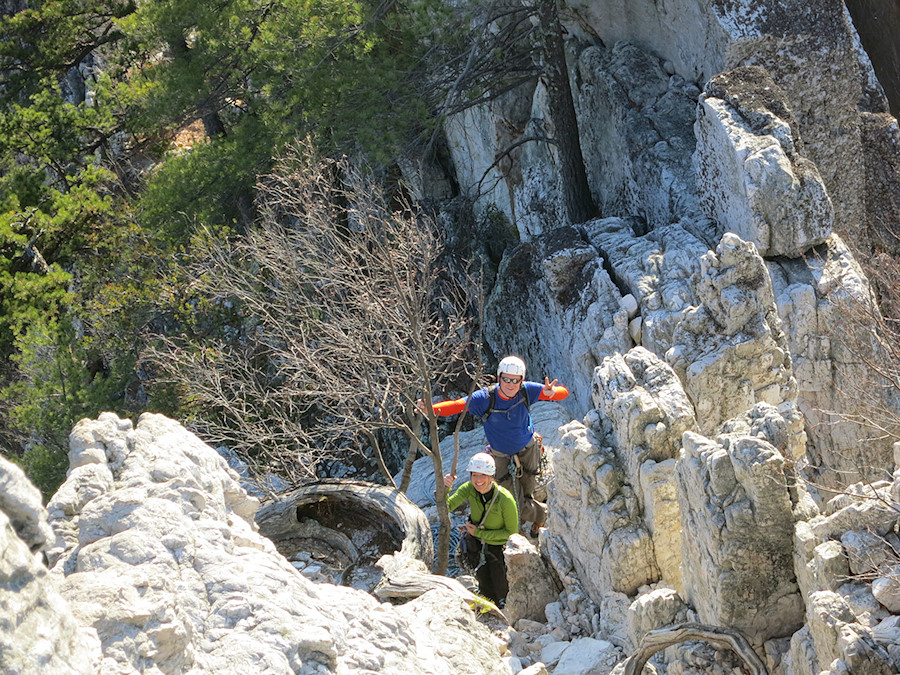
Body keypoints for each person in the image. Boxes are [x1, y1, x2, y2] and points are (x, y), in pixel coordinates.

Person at [426, 355, 568, 537]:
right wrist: (430, 409)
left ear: (521, 380)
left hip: (528, 449)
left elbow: (563, 393)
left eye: (515, 380)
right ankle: (537, 518)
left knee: (527, 490)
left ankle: (532, 520)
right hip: (500, 456)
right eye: (506, 379)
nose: (510, 384)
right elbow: (456, 405)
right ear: (499, 377)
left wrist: (552, 393)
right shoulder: (485, 398)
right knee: (512, 499)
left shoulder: (527, 391)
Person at [444, 452, 518, 607]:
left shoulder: (505, 499)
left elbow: (512, 534)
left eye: (483, 475)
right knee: (483, 583)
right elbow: (447, 506)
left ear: (491, 476)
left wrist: (478, 533)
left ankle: (503, 610)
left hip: (498, 548)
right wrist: (445, 488)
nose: (478, 480)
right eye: (474, 475)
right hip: (478, 546)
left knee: (500, 584)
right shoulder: (469, 489)